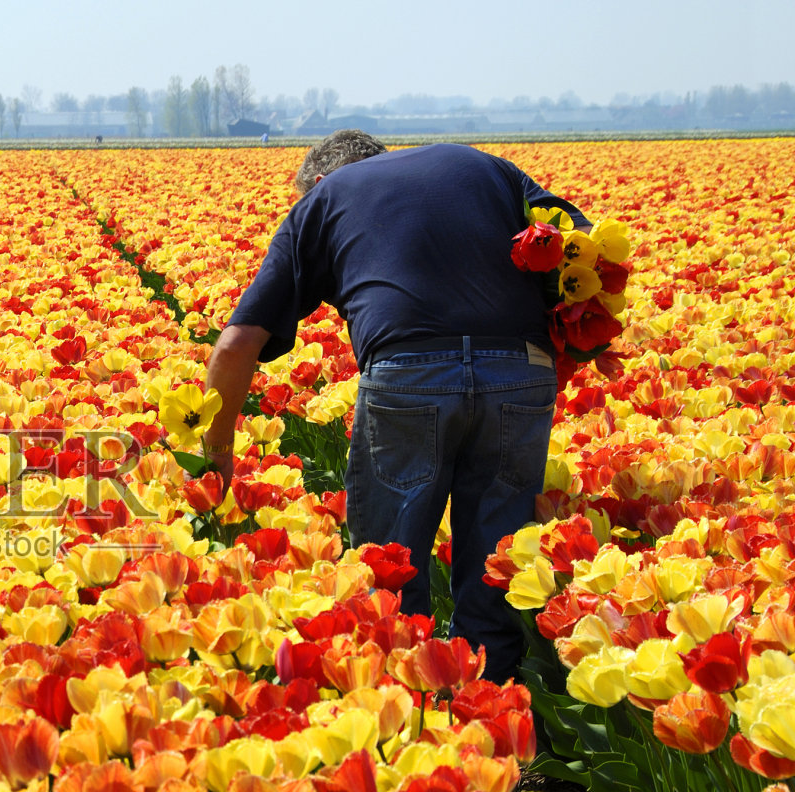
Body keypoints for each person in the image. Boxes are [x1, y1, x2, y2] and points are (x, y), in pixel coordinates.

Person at [202, 130, 587, 682]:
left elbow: (236, 346)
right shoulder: (484, 167)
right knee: (498, 564)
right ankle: (493, 727)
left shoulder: (327, 198)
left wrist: (216, 455)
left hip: (411, 373)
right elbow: (582, 248)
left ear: (316, 183)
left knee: (391, 565)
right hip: (519, 370)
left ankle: (409, 722)